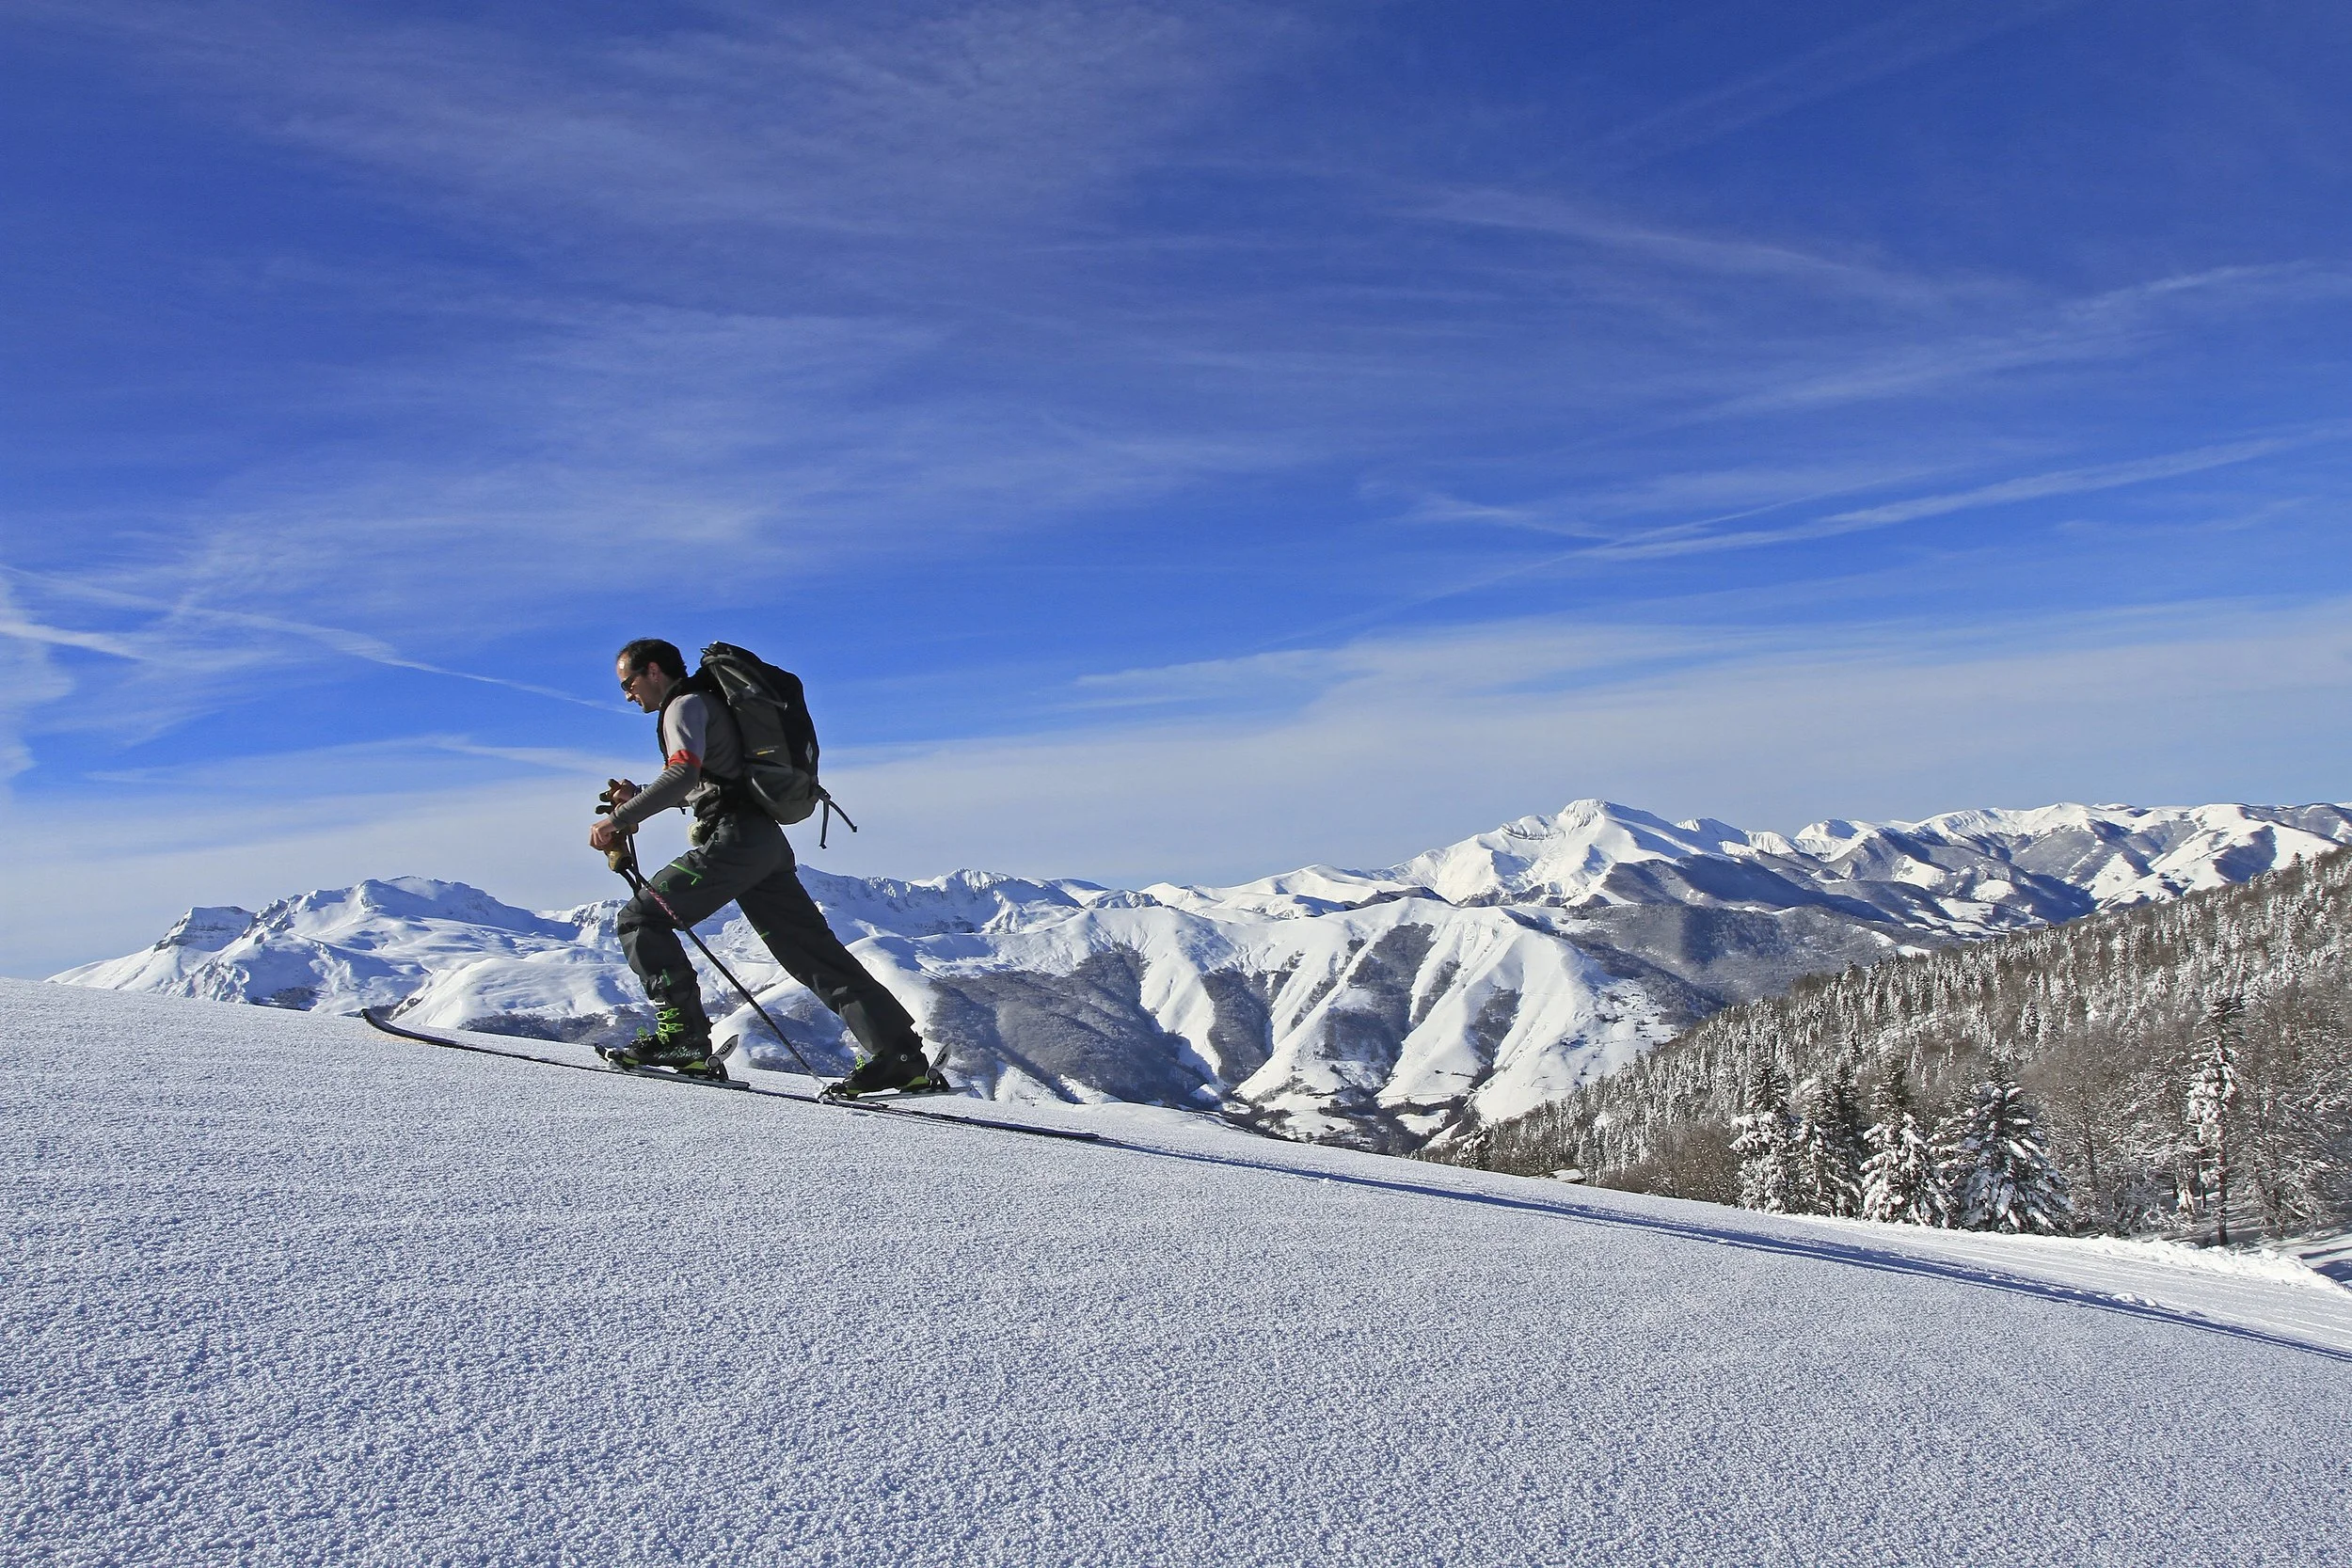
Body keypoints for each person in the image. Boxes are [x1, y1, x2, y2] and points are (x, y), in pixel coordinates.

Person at [587, 637, 945, 1097]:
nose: (627, 694)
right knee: (812, 952)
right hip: (763, 841)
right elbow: (714, 779)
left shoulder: (683, 706)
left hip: (733, 841)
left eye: (628, 683)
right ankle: (901, 1059)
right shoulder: (711, 702)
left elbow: (683, 774)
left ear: (654, 671)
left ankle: (682, 1041)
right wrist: (637, 796)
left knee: (640, 918)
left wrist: (616, 820)